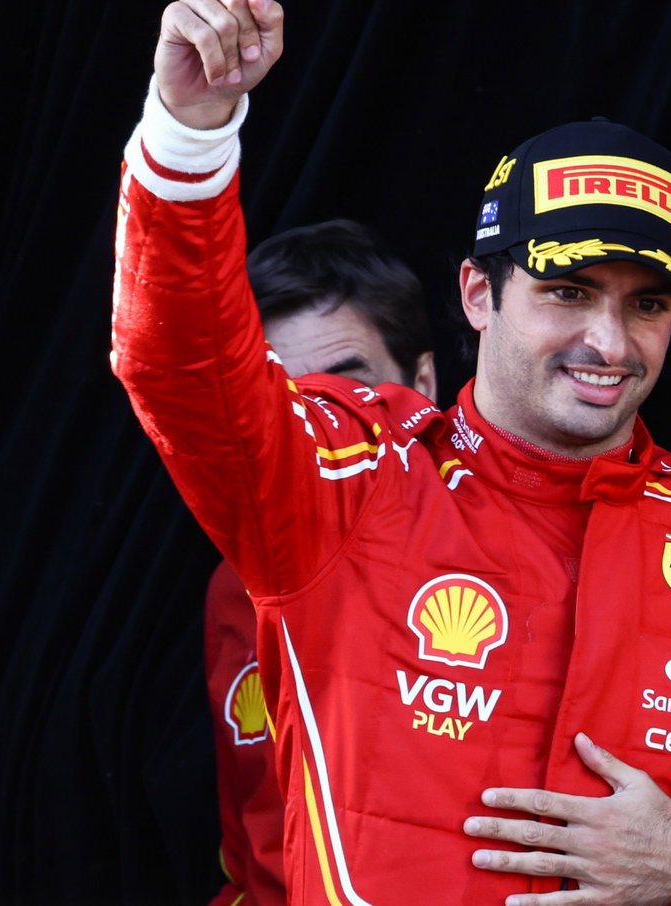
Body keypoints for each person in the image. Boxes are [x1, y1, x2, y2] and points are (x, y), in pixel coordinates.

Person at [113, 0, 671, 905]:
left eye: (648, 304)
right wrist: (191, 130)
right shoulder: (348, 480)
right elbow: (177, 363)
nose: (608, 341)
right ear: (477, 292)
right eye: (567, 291)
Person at [205, 220, 437, 906]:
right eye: (286, 396)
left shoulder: (515, 554)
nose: (319, 425)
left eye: (347, 388)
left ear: (423, 382)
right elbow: (254, 848)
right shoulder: (232, 582)